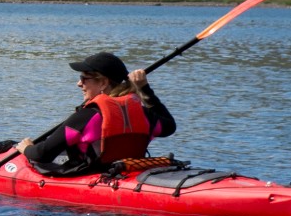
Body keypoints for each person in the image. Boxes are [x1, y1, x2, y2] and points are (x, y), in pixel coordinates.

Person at [21, 51, 175, 176]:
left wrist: (26, 149)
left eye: (84, 78)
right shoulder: (143, 113)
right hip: (127, 172)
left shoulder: (87, 116)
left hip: (92, 175)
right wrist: (144, 88)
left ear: (103, 83)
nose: (79, 83)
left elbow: (43, 154)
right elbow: (169, 126)